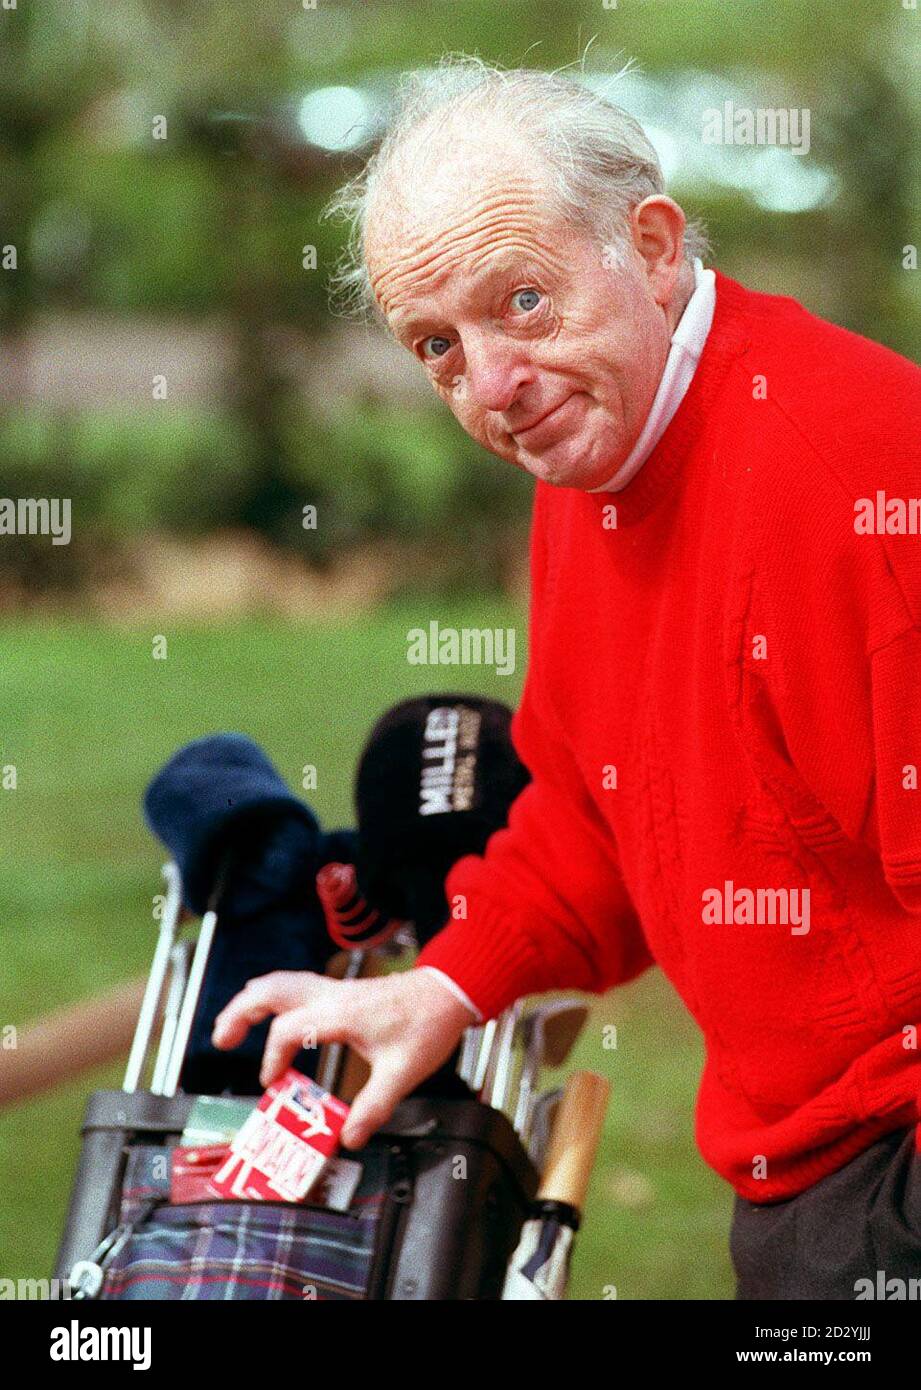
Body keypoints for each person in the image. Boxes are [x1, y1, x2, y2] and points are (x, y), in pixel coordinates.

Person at [213, 57, 921, 1299]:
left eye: (523, 301)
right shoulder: (596, 461)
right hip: (809, 1179)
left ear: (651, 247)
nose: (489, 386)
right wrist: (445, 983)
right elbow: (602, 810)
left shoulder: (850, 478)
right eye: (439, 344)